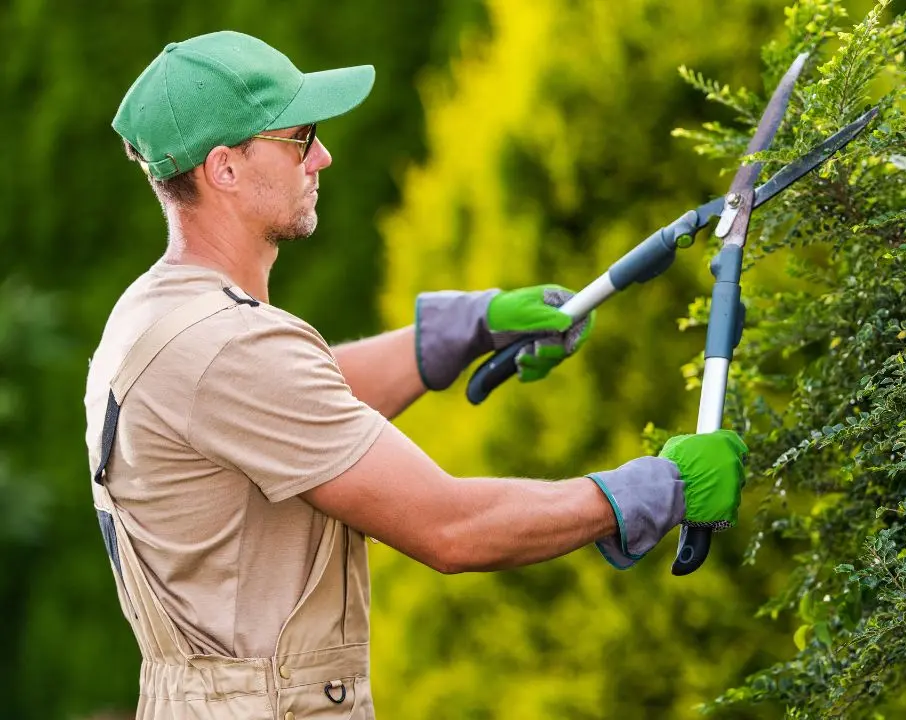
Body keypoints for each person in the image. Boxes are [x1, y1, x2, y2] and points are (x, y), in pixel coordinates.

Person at [85, 30, 749, 720]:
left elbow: (297, 406)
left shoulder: (160, 315)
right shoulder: (229, 348)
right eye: (300, 136)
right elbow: (452, 528)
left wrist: (465, 328)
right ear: (224, 168)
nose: (323, 156)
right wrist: (651, 491)